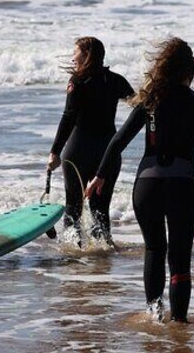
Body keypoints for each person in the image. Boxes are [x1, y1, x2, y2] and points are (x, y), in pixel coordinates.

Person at [85, 37, 194, 323]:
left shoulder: (150, 99)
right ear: (189, 72)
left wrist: (99, 177)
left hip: (147, 187)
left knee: (154, 249)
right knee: (179, 257)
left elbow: (118, 141)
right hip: (182, 186)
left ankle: (154, 314)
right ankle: (179, 322)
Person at [47, 36, 133, 246]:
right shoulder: (115, 80)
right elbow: (140, 105)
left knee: (73, 208)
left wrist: (55, 152)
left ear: (86, 55)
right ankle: (103, 255)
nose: (72, 56)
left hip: (78, 151)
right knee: (100, 210)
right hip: (107, 153)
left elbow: (68, 117)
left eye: (75, 52)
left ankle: (72, 254)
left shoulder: (77, 82)